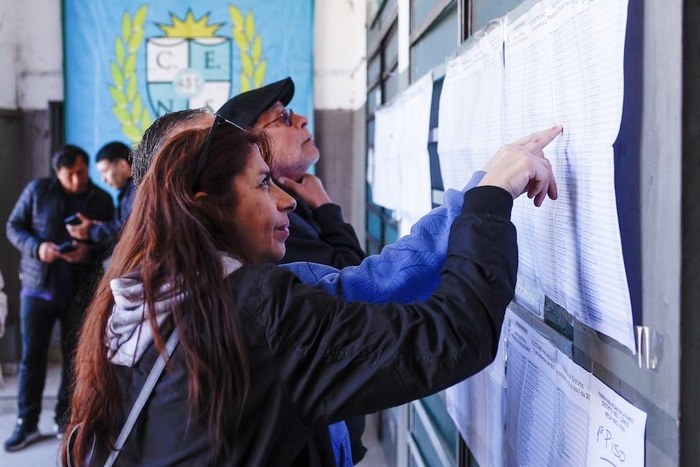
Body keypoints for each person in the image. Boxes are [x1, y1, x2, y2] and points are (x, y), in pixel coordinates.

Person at [62, 121, 560, 466]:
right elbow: (454, 335)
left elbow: (375, 279)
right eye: (263, 183)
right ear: (206, 206)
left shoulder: (139, 305)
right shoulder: (255, 310)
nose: (286, 199)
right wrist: (490, 199)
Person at [217, 77, 369, 461]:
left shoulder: (292, 206)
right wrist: (327, 208)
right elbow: (355, 287)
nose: (301, 119)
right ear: (250, 146)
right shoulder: (267, 227)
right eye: (283, 118)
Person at [4, 145, 114, 452]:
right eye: (70, 175)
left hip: (79, 291)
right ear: (57, 173)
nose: (77, 180)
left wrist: (87, 252)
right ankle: (26, 422)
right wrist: (38, 248)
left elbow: (112, 243)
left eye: (82, 172)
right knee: (32, 358)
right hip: (37, 289)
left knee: (74, 359)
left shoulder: (101, 199)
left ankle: (64, 419)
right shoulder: (37, 191)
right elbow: (14, 227)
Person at [66, 142, 136, 255]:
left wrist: (91, 230)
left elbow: (126, 229)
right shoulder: (130, 191)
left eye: (105, 171)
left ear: (122, 165)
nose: (103, 179)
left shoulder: (136, 191)